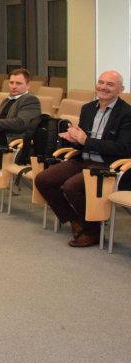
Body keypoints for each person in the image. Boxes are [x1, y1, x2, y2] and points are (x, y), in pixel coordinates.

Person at [36, 70, 131, 247]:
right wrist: (74, 140)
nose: (103, 87)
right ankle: (75, 220)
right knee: (43, 180)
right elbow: (81, 142)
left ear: (121, 89)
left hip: (107, 165)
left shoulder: (127, 114)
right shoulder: (88, 109)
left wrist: (86, 141)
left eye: (110, 84)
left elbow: (123, 149)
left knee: (71, 187)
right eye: (101, 82)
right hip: (83, 159)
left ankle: (92, 231)